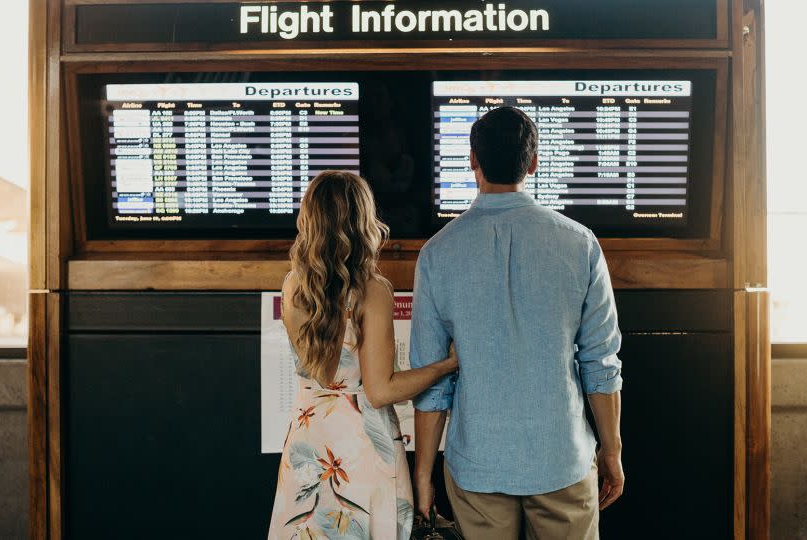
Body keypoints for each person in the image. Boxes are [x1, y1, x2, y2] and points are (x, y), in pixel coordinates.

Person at [410, 107, 625, 540]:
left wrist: (423, 474)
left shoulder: (437, 253)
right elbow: (601, 364)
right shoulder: (580, 244)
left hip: (478, 467)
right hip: (561, 460)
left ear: (473, 160)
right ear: (533, 163)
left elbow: (431, 383)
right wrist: (612, 451)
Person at [268, 171, 458, 540]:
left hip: (309, 439)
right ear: (363, 221)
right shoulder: (372, 291)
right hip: (361, 448)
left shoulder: (293, 284)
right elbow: (380, 391)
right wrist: (446, 365)